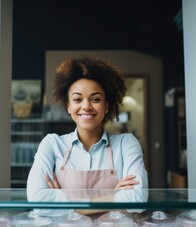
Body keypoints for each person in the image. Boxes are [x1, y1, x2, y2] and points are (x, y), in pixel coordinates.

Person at [26, 57, 148, 215]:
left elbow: (137, 199)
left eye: (95, 99)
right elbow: (38, 199)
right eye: (77, 99)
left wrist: (63, 202)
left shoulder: (126, 144)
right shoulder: (52, 144)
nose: (86, 106)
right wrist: (113, 197)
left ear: (106, 106)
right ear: (69, 106)